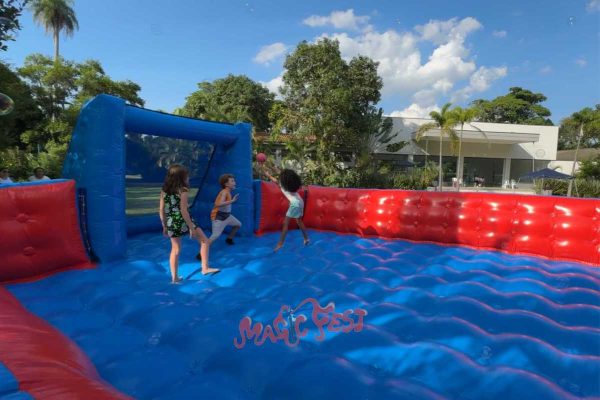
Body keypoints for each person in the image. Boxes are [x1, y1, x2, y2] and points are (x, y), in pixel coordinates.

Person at [159, 164, 219, 283]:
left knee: (175, 249)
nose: (188, 178)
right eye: (186, 176)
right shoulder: (183, 190)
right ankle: (205, 268)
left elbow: (161, 210)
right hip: (183, 220)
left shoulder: (164, 191)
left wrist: (164, 225)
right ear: (181, 178)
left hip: (171, 221)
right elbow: (183, 210)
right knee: (204, 241)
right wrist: (191, 227)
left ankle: (175, 278)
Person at [262, 166, 309, 251]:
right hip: (300, 202)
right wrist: (272, 169)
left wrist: (268, 175)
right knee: (299, 221)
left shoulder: (282, 186)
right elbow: (283, 174)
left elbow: (276, 180)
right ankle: (306, 238)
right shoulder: (292, 185)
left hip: (295, 204)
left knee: (285, 224)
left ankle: (280, 244)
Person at [196, 174, 242, 261]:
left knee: (238, 224)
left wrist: (231, 200)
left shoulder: (228, 191)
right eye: (232, 181)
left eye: (234, 180)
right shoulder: (224, 192)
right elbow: (218, 204)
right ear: (226, 184)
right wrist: (232, 201)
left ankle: (229, 239)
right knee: (215, 235)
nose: (234, 182)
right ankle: (201, 253)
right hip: (218, 217)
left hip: (227, 216)